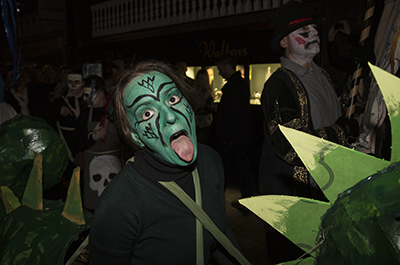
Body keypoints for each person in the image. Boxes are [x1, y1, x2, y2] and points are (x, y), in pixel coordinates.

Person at [89, 60, 245, 264]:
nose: (170, 116)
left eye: (172, 98)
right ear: (136, 136)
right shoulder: (119, 204)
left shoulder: (211, 161)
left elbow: (220, 229)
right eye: (147, 113)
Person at [258, 1, 359, 264]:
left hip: (332, 187)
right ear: (284, 42)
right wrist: (341, 131)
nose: (313, 33)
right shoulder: (278, 84)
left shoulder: (324, 74)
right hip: (296, 199)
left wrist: (355, 48)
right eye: (304, 31)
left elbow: (351, 104)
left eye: (314, 28)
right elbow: (291, 144)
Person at [74, 74, 122, 211]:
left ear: (100, 94)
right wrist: (92, 137)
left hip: (115, 168)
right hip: (92, 169)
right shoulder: (85, 114)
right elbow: (78, 141)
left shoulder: (115, 112)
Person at [213, 55, 253, 200]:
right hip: (239, 136)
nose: (219, 72)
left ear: (227, 67)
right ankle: (246, 197)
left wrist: (228, 138)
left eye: (220, 69)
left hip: (233, 137)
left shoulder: (233, 86)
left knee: (229, 168)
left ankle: (219, 199)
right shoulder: (239, 84)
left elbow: (233, 115)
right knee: (241, 167)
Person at [193, 68, 216, 144]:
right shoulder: (194, 91)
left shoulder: (208, 93)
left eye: (202, 78)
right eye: (198, 78)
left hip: (204, 123)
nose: (200, 80)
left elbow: (209, 108)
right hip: (196, 123)